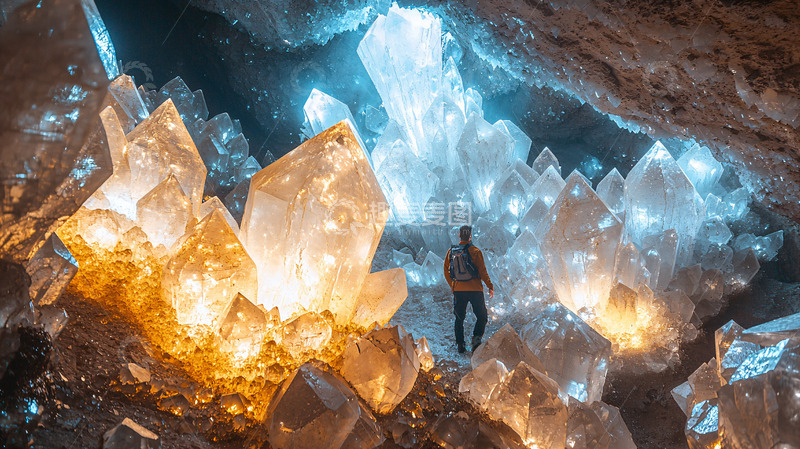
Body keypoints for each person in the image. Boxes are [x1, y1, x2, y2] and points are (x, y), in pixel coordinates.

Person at [443, 225, 494, 353]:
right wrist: (490, 286)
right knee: (482, 316)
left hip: (459, 291)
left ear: (459, 235)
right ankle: (476, 342)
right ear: (470, 236)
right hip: (475, 290)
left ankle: (460, 345)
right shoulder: (476, 251)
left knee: (459, 318)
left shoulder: (451, 251)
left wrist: (453, 285)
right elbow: (483, 272)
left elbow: (446, 270)